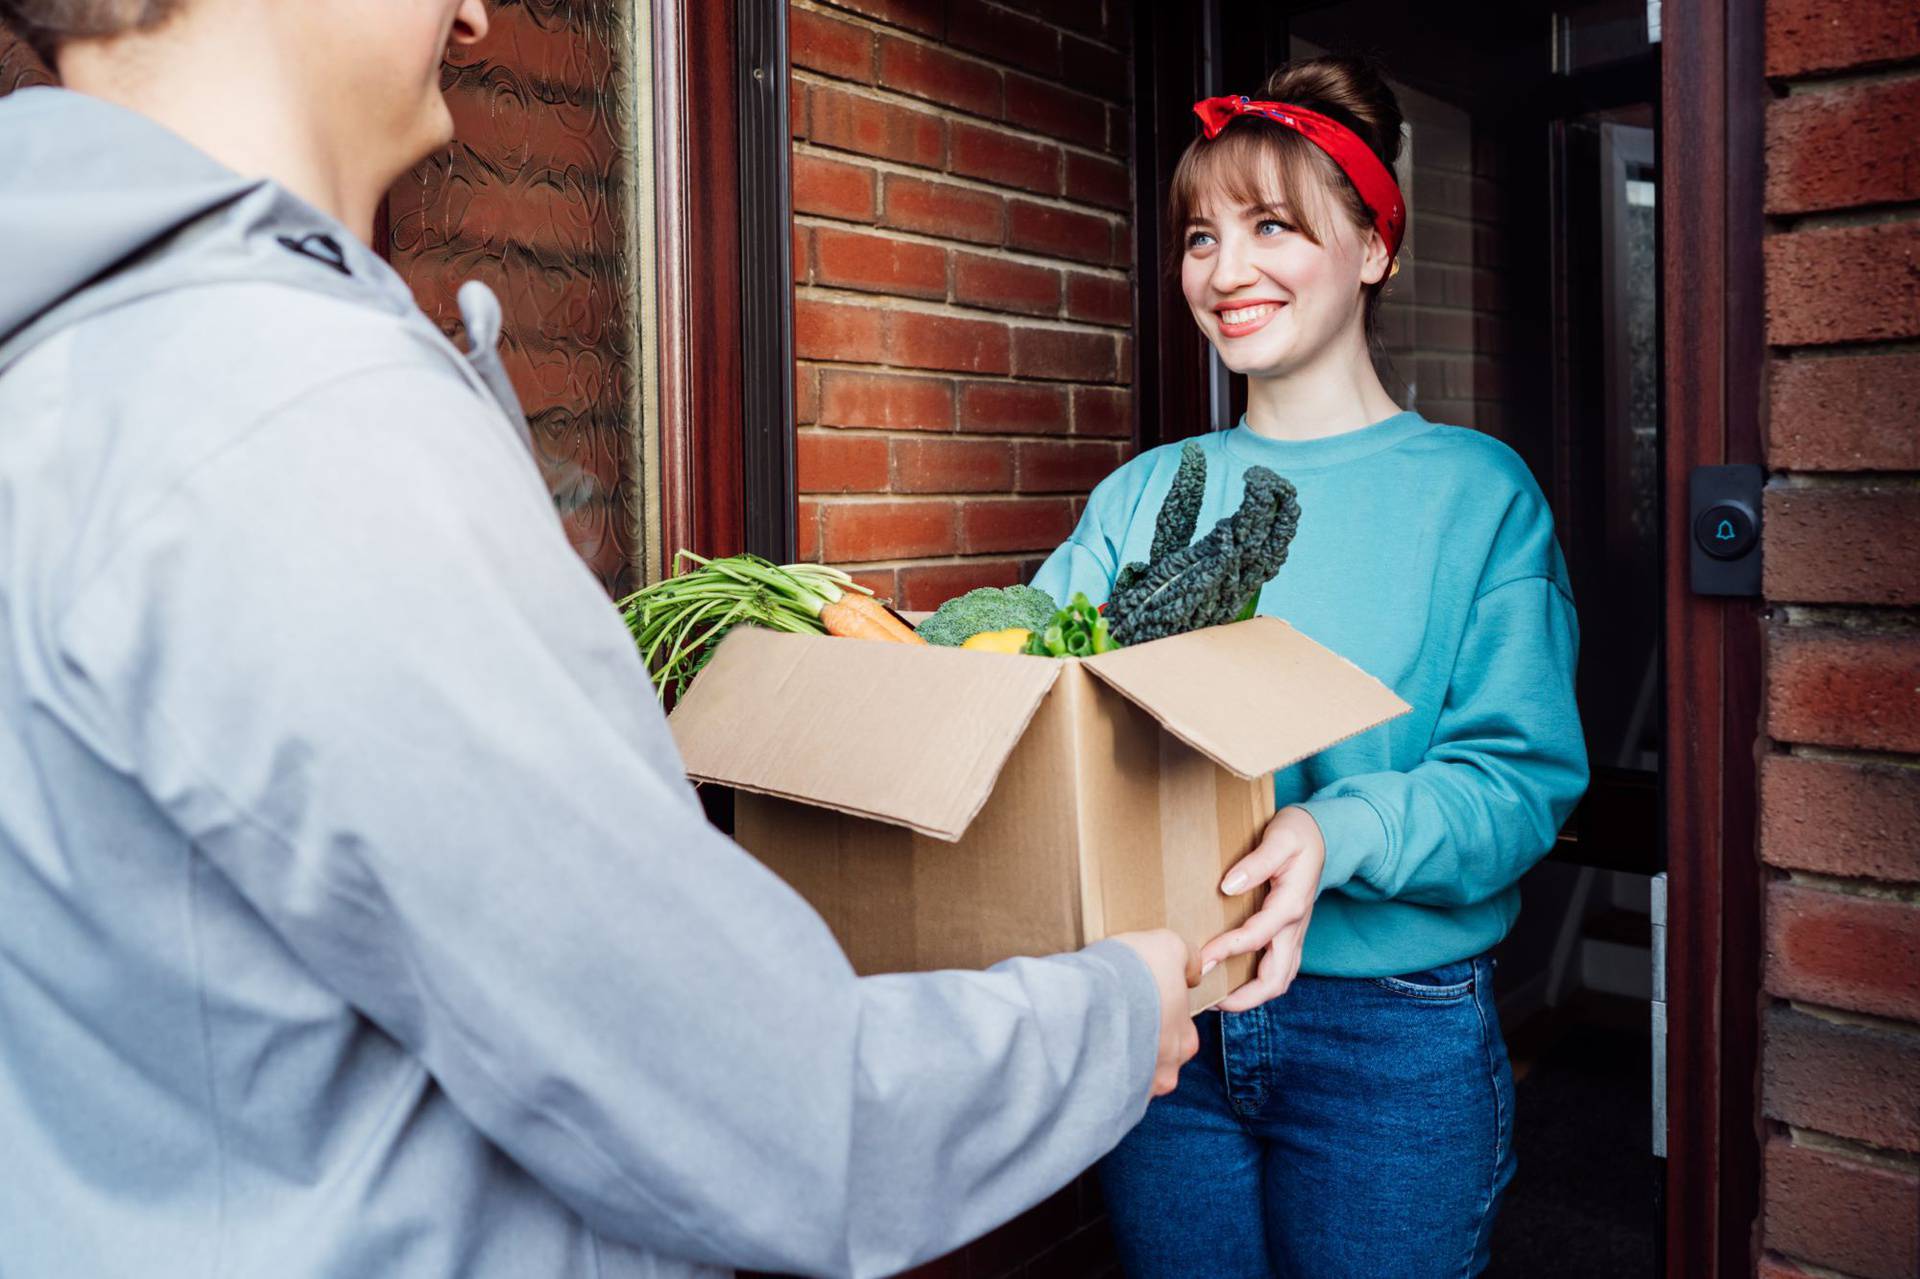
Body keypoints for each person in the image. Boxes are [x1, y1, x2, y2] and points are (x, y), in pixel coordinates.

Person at [0, 3, 1201, 1276]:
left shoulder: (71, 378)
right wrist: (1116, 1016)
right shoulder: (298, 423)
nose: (471, 15)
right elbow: (774, 1113)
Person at [1031, 55, 1590, 1279]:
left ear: (1374, 249)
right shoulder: (1140, 499)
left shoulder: (1476, 497)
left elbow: (1521, 779)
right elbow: (1030, 694)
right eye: (1199, 237)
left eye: (1271, 226)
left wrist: (1342, 829)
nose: (1224, 272)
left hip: (1392, 1039)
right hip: (1167, 1017)